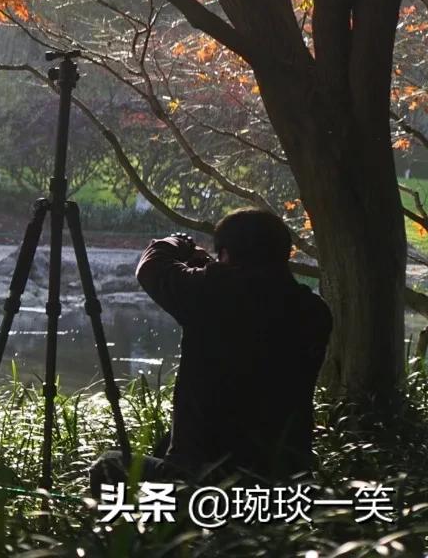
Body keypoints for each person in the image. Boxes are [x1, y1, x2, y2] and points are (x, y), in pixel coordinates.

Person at [90, 208, 332, 489]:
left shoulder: (210, 292)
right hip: (283, 473)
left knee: (107, 466)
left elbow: (152, 266)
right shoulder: (314, 311)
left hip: (205, 475)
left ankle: (149, 529)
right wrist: (211, 270)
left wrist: (180, 243)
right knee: (166, 441)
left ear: (226, 254)